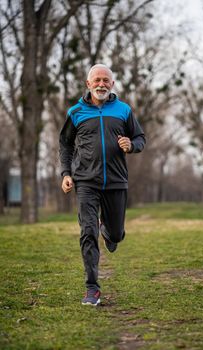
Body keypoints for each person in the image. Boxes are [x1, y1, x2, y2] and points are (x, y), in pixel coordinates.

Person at [59, 64, 145, 306]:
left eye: (106, 80)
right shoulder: (76, 112)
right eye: (97, 80)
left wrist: (132, 144)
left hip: (116, 181)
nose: (101, 84)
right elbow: (65, 145)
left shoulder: (123, 110)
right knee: (88, 231)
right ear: (88, 84)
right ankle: (92, 288)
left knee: (116, 233)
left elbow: (140, 138)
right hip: (86, 182)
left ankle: (108, 231)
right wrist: (66, 173)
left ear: (112, 84)